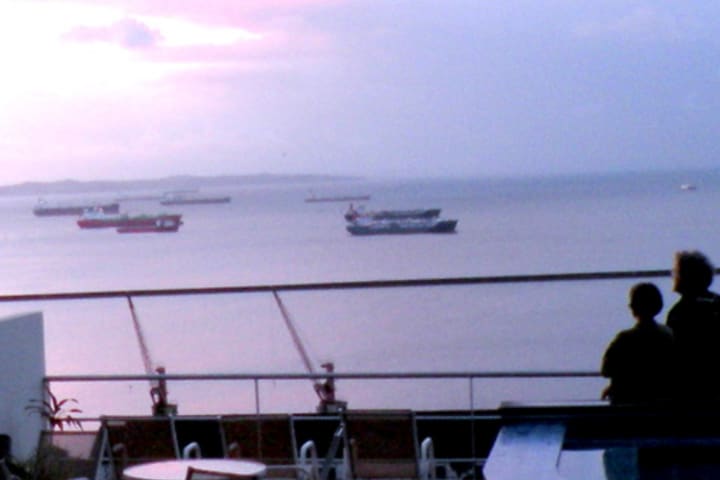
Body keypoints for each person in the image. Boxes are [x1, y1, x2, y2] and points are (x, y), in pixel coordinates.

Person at [601, 282, 675, 404]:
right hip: (662, 400)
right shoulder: (669, 334)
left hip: (629, 401)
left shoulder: (625, 338)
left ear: (633, 307)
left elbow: (606, 370)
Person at [666, 250, 720, 400]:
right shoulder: (716, 303)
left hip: (691, 390)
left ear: (685, 277)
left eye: (676, 272)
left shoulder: (681, 312)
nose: (673, 275)